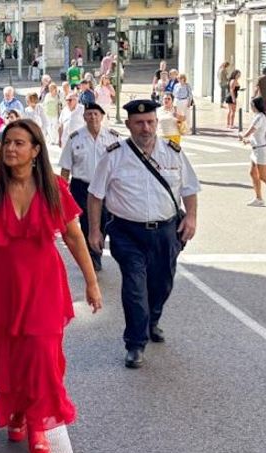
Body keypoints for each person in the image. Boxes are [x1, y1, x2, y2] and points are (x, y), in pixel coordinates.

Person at [0, 119, 102, 453]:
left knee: (42, 352)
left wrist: (91, 281)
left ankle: (37, 422)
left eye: (19, 143)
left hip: (43, 284)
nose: (10, 149)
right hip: (3, 283)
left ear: (36, 150)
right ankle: (16, 411)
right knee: (11, 352)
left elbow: (73, 236)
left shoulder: (53, 188)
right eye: (7, 143)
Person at [87, 99, 200, 369]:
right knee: (135, 286)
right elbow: (95, 196)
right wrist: (94, 230)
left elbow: (189, 188)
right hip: (128, 232)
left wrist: (192, 217)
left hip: (166, 231)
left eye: (150, 122)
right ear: (128, 125)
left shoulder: (173, 153)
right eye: (139, 123)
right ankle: (135, 343)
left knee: (162, 284)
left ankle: (153, 320)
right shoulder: (114, 155)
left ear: (156, 123)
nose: (145, 128)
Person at [59, 102, 120, 272]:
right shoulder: (75, 138)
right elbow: (65, 168)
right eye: (89, 114)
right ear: (84, 117)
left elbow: (121, 165)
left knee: (105, 220)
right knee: (86, 222)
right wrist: (62, 192)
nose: (93, 117)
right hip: (82, 187)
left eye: (96, 114)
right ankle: (92, 257)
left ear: (102, 117)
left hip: (106, 187)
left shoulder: (113, 138)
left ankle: (96, 250)